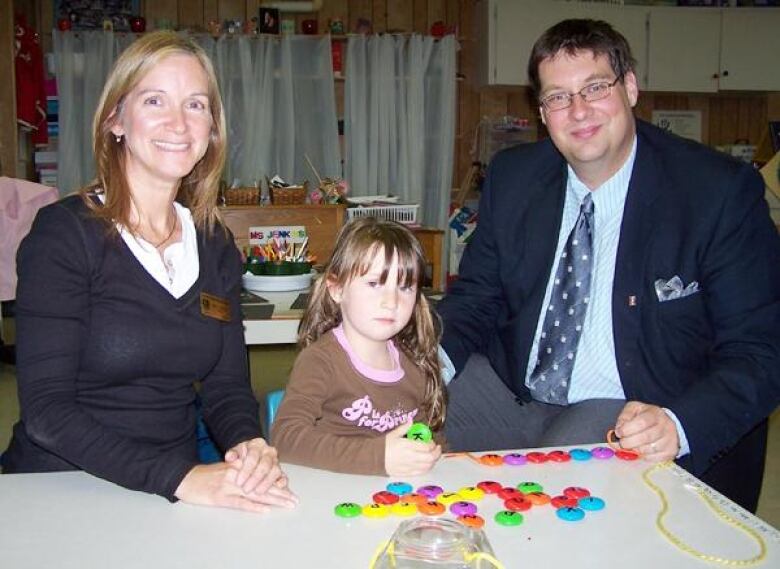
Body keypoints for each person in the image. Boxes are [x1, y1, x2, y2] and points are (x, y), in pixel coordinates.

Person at [436, 19, 779, 511]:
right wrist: (426, 364)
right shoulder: (515, 178)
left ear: (631, 88)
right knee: (385, 420)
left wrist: (678, 425)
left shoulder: (717, 194)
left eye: (595, 87)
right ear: (542, 112)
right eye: (558, 97)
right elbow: (477, 297)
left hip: (632, 405)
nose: (578, 111)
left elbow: (761, 350)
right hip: (514, 389)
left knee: (554, 503)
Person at [1, 31, 297, 513]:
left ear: (212, 131)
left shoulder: (215, 244)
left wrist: (247, 444)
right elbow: (47, 414)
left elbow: (226, 387)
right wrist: (182, 479)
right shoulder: (64, 234)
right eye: (155, 99)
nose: (178, 123)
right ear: (116, 119)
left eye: (196, 105)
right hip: (60, 490)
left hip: (170, 494)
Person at [272, 217, 445, 476]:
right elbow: (284, 440)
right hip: (332, 497)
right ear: (337, 289)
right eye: (374, 284)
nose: (391, 301)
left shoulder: (415, 363)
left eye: (405, 287)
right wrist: (378, 457)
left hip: (395, 498)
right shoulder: (320, 361)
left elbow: (426, 437)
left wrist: (429, 453)